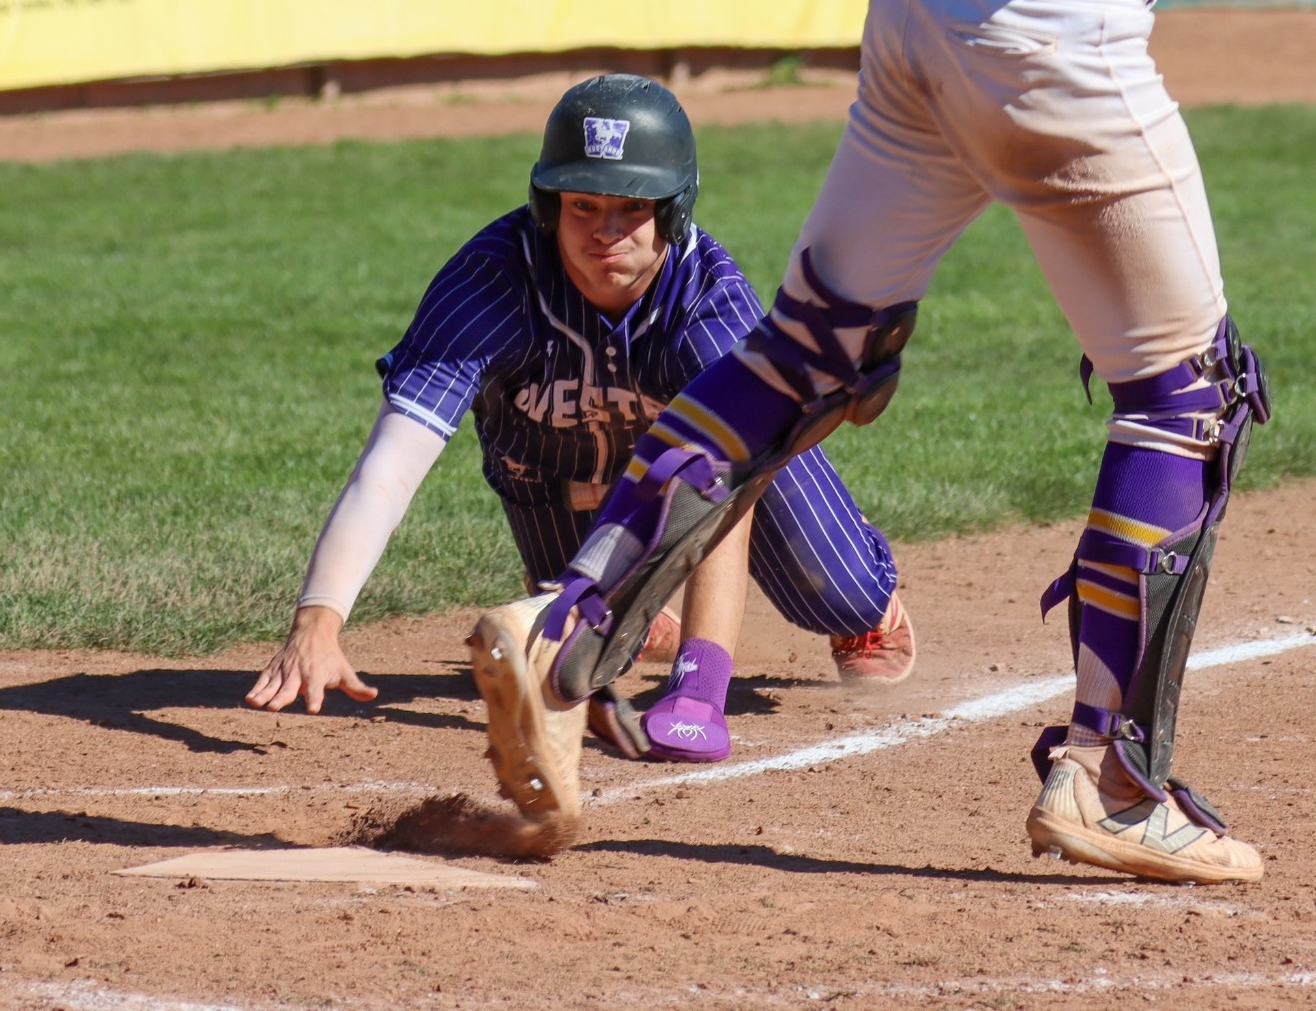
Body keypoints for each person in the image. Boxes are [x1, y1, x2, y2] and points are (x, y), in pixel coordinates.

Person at [472, 0, 1272, 883]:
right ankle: (1112, 780)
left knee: (801, 355)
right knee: (1185, 398)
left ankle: (564, 625)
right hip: (1063, 17)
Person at [246, 74, 915, 767]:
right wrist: (318, 621)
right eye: (583, 205)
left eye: (633, 207)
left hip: (720, 476)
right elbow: (391, 464)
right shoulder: (489, 287)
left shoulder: (706, 302)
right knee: (581, 660)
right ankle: (635, 599)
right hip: (551, 479)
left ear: (675, 210)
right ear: (548, 205)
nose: (605, 231)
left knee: (834, 592)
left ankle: (866, 602)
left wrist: (699, 687)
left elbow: (732, 484)